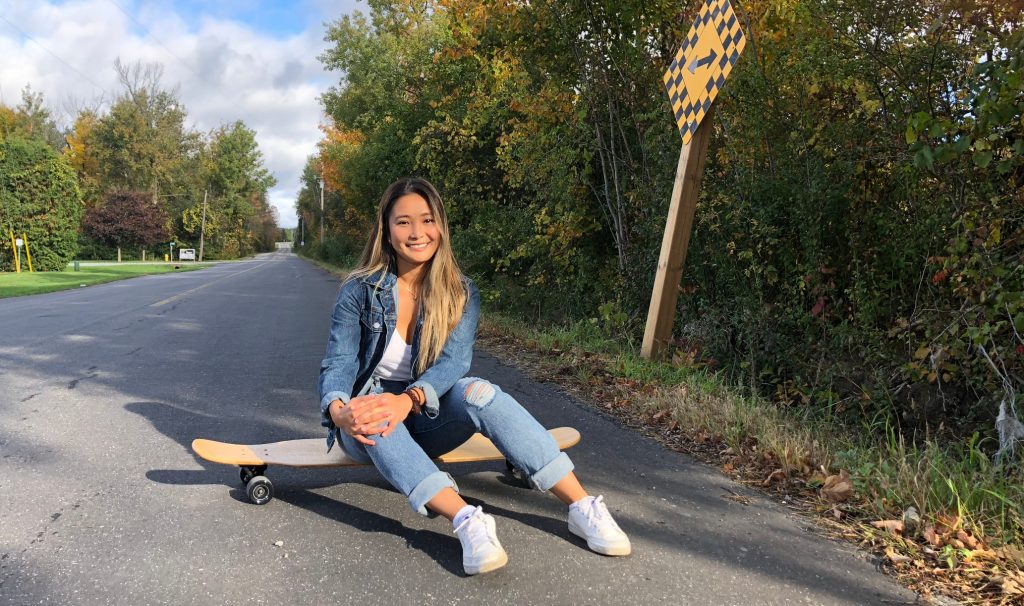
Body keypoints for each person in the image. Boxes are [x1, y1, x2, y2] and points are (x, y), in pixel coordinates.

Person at [318, 177, 631, 575]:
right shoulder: (359, 290)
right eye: (403, 222)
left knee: (478, 391)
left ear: (441, 226)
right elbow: (338, 363)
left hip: (424, 413)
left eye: (427, 220)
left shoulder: (461, 291)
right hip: (367, 422)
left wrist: (408, 400)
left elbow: (452, 364)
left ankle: (581, 506)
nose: (417, 233)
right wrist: (339, 408)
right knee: (375, 412)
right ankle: (467, 519)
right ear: (386, 229)